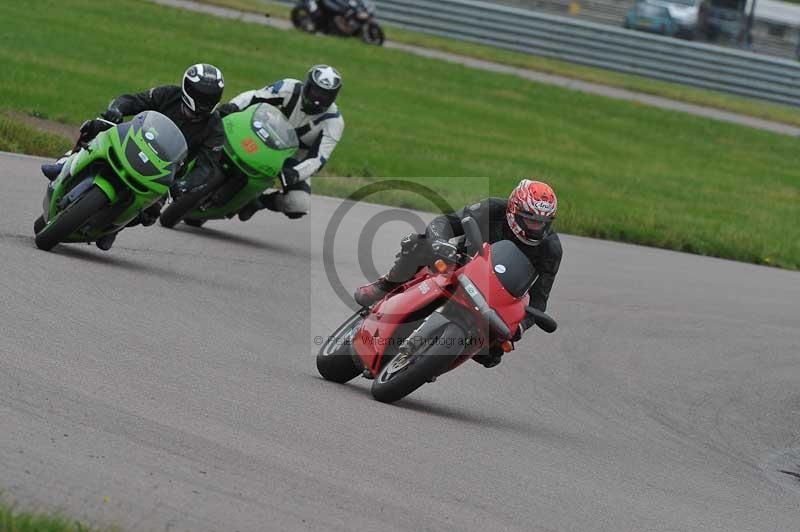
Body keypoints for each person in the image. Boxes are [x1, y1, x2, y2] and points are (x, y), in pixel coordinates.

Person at [353, 179, 562, 368]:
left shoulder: (551, 249)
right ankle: (386, 284)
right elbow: (445, 222)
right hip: (458, 263)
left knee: (493, 354)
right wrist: (439, 242)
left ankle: (433, 363)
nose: (536, 227)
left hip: (495, 297)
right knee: (419, 243)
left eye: (543, 222)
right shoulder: (492, 208)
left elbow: (539, 301)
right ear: (514, 210)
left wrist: (521, 327)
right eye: (531, 220)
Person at [41, 63, 226, 250]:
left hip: (164, 171)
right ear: (188, 89)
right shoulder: (169, 94)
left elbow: (207, 167)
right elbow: (134, 100)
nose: (204, 102)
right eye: (201, 96)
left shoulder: (215, 127)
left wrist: (185, 185)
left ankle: (114, 227)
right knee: (97, 125)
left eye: (210, 98)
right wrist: (117, 110)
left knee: (151, 212)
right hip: (131, 142)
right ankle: (65, 162)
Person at [216, 64, 345, 220]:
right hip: (259, 137)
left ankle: (258, 202)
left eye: (325, 95)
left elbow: (318, 158)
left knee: (299, 203)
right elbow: (254, 96)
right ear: (307, 86)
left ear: (333, 96)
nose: (318, 98)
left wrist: (296, 173)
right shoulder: (289, 87)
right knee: (216, 132)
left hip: (290, 161)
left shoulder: (334, 122)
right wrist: (233, 106)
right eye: (315, 91)